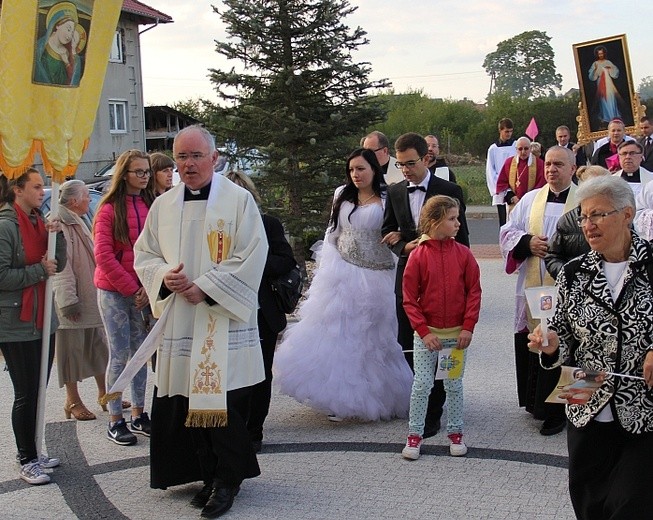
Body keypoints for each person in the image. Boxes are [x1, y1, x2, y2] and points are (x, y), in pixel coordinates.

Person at [133, 125, 268, 519]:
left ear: (214, 157)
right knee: (187, 403)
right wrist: (164, 278)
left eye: (195, 156)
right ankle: (209, 474)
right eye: (181, 157)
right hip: (182, 320)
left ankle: (228, 480)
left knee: (221, 403)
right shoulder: (164, 205)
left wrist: (206, 288)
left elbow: (251, 255)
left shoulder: (238, 201)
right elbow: (146, 254)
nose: (188, 165)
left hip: (221, 319)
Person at [528, 175, 653, 519]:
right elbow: (563, 334)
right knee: (589, 502)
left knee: (632, 503)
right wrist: (551, 345)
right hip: (584, 395)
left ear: (627, 215)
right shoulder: (573, 272)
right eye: (583, 216)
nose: (588, 225)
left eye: (598, 215)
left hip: (643, 406)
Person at [274, 148, 413, 421]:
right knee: (341, 336)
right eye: (351, 170)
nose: (355, 175)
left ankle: (381, 396)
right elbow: (332, 232)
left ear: (374, 168)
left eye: (361, 169)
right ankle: (340, 399)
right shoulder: (342, 195)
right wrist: (327, 268)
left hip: (379, 275)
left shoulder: (390, 197)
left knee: (377, 339)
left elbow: (402, 231)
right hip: (343, 272)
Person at [382, 132, 469, 439]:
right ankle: (424, 393)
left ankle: (435, 409)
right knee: (410, 342)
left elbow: (464, 239)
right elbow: (388, 233)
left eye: (410, 163)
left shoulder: (449, 189)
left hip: (444, 284)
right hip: (408, 277)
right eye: (400, 164)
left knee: (445, 346)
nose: (405, 169)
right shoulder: (394, 192)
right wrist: (408, 247)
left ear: (426, 159)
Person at [499, 146, 577, 436]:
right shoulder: (531, 199)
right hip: (536, 287)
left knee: (570, 345)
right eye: (549, 164)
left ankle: (565, 409)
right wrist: (528, 242)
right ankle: (539, 405)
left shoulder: (584, 200)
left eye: (559, 164)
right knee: (539, 340)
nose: (552, 169)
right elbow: (507, 231)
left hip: (572, 288)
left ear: (572, 168)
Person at [400, 196, 481, 460]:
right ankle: (414, 435)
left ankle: (455, 433)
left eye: (458, 218)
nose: (458, 223)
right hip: (428, 337)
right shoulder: (418, 256)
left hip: (456, 337)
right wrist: (424, 331)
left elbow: (474, 292)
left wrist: (468, 327)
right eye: (452, 219)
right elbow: (409, 299)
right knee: (422, 384)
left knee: (453, 385)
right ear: (435, 221)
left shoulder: (464, 254)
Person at [0, 169, 65, 485]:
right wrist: (38, 271)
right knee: (26, 392)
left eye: (43, 186)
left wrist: (58, 236)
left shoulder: (42, 220)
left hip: (43, 320)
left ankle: (35, 451)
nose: (43, 192)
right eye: (37, 187)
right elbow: (1, 277)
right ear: (17, 190)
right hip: (16, 323)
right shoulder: (5, 226)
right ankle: (26, 458)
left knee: (39, 388)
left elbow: (59, 264)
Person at [224, 170, 296, 453]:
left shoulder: (267, 224)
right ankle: (233, 427)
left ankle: (254, 430)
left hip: (262, 311)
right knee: (232, 373)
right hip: (228, 310)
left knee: (260, 373)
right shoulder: (216, 230)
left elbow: (286, 260)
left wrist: (253, 262)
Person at [93, 150, 155, 446]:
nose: (145, 177)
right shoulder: (108, 210)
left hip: (144, 292)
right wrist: (133, 289)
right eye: (139, 172)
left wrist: (148, 287)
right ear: (124, 175)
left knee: (141, 354)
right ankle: (116, 418)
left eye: (147, 172)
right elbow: (104, 256)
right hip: (115, 292)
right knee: (119, 354)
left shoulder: (149, 204)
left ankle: (140, 413)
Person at [53, 180, 109, 421]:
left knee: (99, 347)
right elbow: (61, 268)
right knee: (70, 351)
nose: (89, 199)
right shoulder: (59, 223)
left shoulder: (78, 217)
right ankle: (72, 400)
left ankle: (105, 393)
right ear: (74, 201)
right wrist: (68, 301)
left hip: (89, 293)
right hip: (74, 299)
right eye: (86, 196)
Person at [544, 166, 610, 279]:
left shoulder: (618, 217)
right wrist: (570, 275)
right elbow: (553, 257)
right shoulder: (567, 222)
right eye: (596, 189)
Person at [34, 1, 84, 86]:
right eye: (68, 29)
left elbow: (72, 82)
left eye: (72, 33)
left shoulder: (68, 54)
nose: (69, 35)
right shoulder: (39, 48)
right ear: (57, 25)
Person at [495, 136, 545, 209]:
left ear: (530, 148)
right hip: (514, 202)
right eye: (520, 149)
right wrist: (511, 196)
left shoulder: (539, 164)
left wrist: (528, 198)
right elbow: (502, 183)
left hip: (531, 203)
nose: (523, 152)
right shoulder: (509, 162)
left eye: (526, 148)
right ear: (516, 149)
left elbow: (541, 185)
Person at [486, 118, 517, 226]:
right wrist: (501, 187)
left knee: (515, 219)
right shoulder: (493, 149)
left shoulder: (516, 145)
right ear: (500, 130)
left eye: (511, 131)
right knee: (503, 222)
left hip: (515, 187)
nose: (509, 134)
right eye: (506, 131)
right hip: (501, 187)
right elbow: (490, 170)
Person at [588, 46, 622, 126]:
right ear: (597, 54)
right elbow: (591, 76)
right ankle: (606, 117)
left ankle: (613, 116)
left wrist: (609, 68)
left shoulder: (608, 62)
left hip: (608, 83)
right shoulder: (595, 64)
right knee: (603, 100)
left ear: (604, 53)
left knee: (611, 98)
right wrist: (595, 69)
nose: (601, 55)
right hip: (600, 83)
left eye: (602, 53)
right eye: (599, 54)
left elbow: (615, 71)